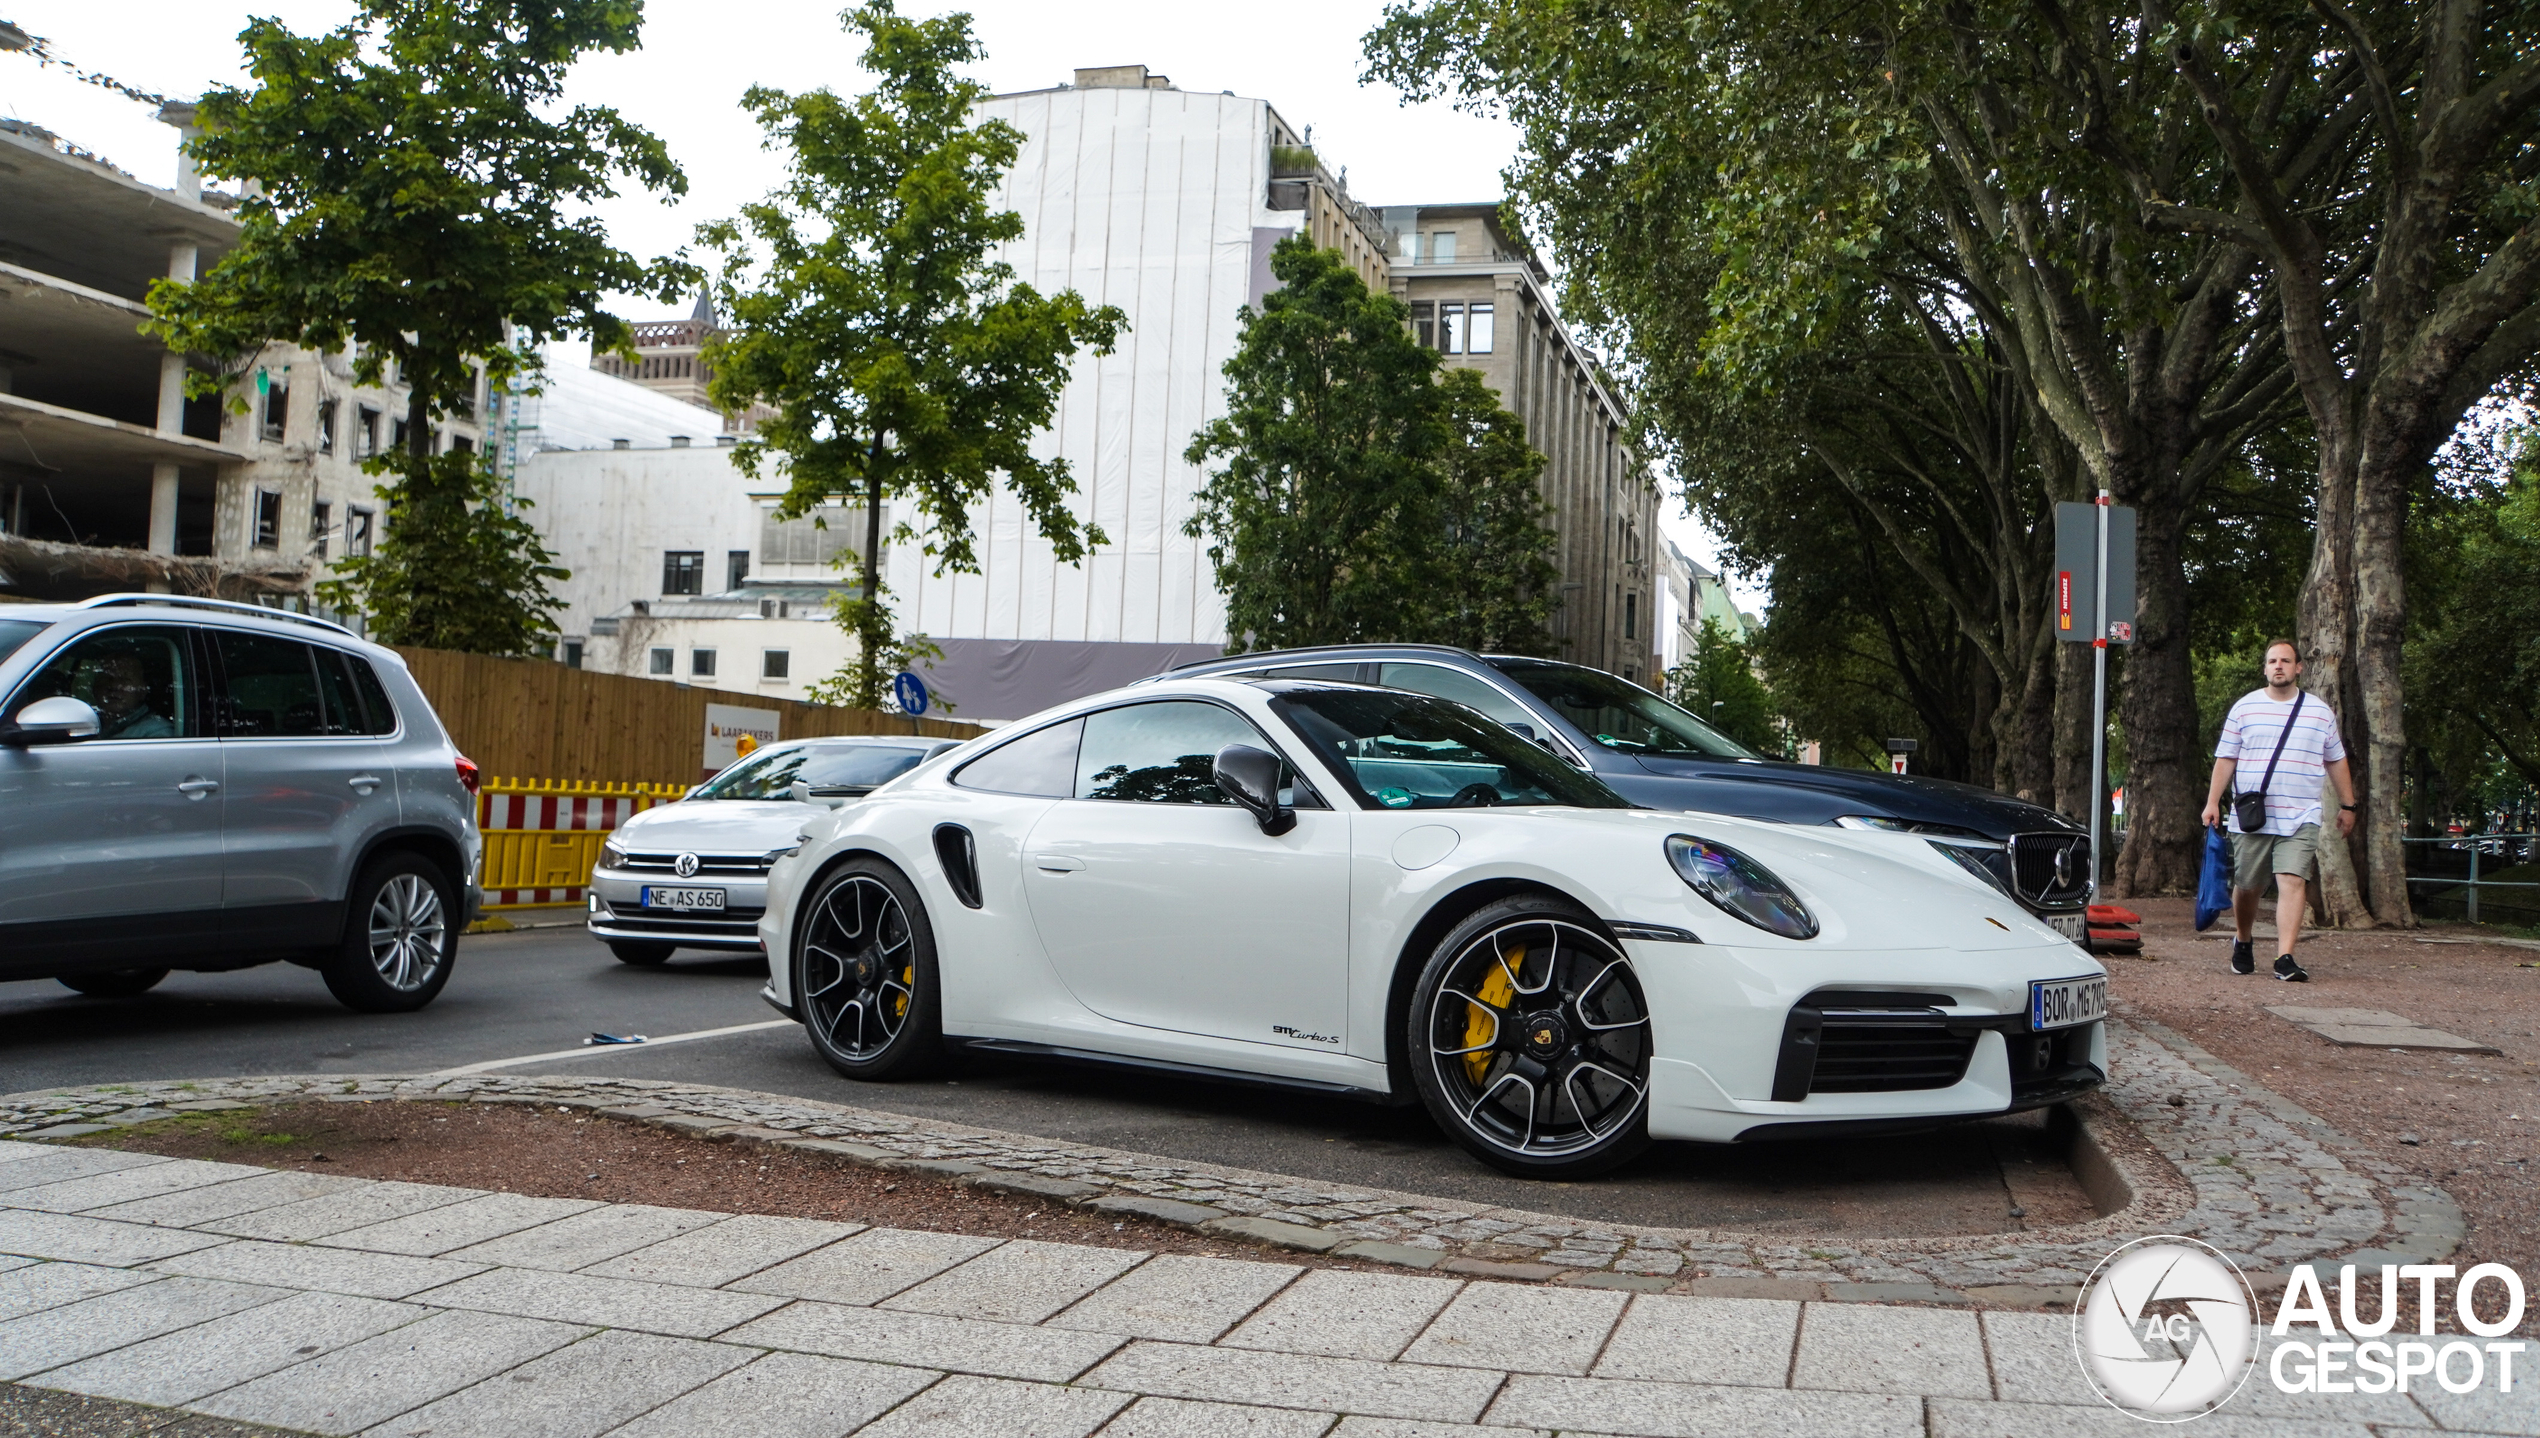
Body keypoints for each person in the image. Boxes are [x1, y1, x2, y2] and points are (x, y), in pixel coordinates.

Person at [2199, 640, 2356, 981]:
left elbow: (2336, 759)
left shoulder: (2319, 712)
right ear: (2265, 668)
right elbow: (2226, 759)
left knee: (2291, 880)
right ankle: (2243, 940)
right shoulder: (2245, 708)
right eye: (2272, 661)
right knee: (2248, 884)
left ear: (2299, 667)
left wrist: (2348, 804)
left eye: (2286, 660)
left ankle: (2285, 956)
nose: (2279, 666)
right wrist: (2213, 802)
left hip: (2302, 814)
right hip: (2253, 814)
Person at [92, 653, 177, 739]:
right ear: (94, 687)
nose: (114, 685)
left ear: (143, 690)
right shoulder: (88, 722)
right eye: (106, 677)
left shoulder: (157, 733)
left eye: (125, 680)